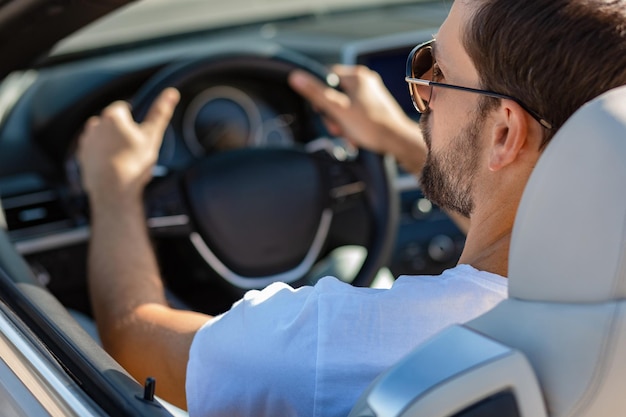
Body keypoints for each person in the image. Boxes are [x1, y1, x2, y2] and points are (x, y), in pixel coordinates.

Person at [76, 0, 626, 415]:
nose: (423, 96)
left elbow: (135, 342)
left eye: (439, 72)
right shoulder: (600, 315)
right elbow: (521, 223)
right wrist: (400, 141)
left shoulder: (333, 346)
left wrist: (115, 191)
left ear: (505, 131)